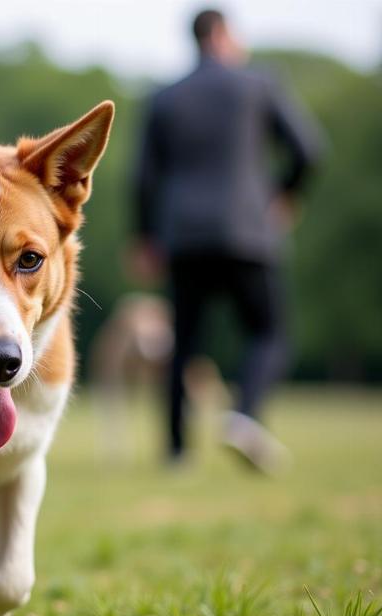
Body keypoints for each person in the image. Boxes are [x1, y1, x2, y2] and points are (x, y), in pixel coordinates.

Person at [132, 8, 322, 472]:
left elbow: (144, 178)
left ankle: (177, 451)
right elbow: (308, 149)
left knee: (185, 344)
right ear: (221, 34)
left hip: (183, 235)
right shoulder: (259, 83)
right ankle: (244, 414)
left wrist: (146, 235)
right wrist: (284, 196)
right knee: (269, 333)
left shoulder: (164, 97)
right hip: (248, 229)